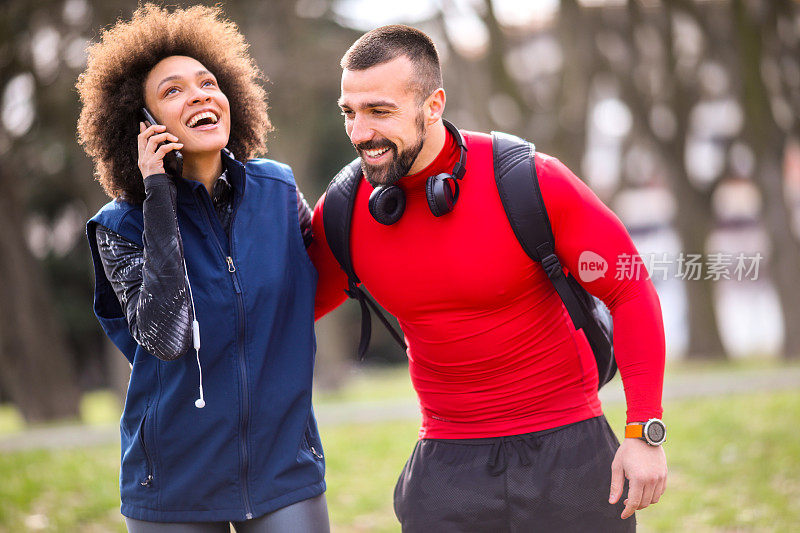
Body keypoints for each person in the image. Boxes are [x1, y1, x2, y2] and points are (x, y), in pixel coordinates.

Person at [309, 25, 668, 531]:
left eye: (379, 111)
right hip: (446, 467)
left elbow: (630, 288)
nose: (359, 132)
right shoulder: (346, 211)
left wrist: (643, 431)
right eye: (349, 112)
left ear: (433, 105)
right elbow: (282, 311)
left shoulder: (529, 181)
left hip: (571, 453)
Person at [77, 5, 329, 532]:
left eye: (208, 82)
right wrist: (159, 194)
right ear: (140, 125)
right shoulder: (118, 226)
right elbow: (164, 334)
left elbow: (333, 270)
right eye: (172, 91)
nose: (199, 95)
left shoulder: (279, 191)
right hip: (173, 481)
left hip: (284, 467)